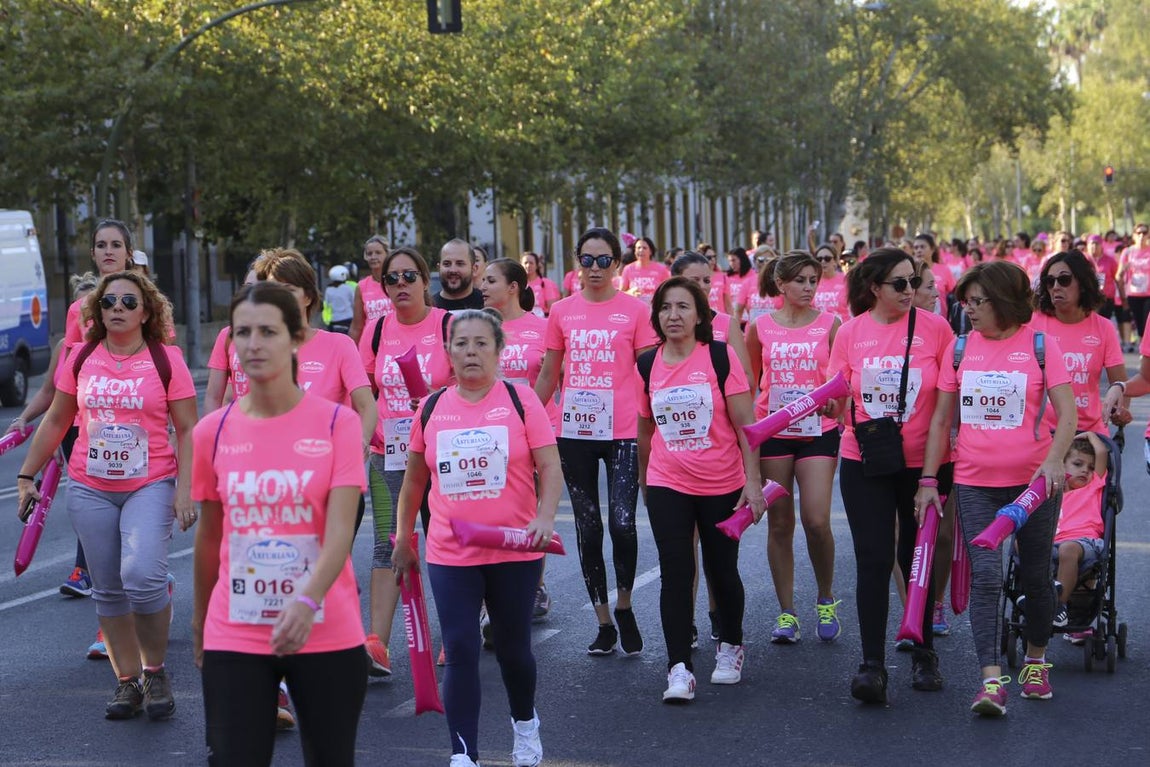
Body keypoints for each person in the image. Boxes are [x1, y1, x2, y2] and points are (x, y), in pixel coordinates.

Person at [192, 282, 367, 766]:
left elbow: (338, 534)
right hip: (237, 628)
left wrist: (307, 601)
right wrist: (200, 622)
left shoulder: (338, 424)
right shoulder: (213, 431)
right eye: (241, 333)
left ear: (295, 338)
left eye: (267, 331)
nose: (252, 344)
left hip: (324, 624)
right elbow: (210, 539)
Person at [17, 270, 197, 720]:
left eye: (128, 302)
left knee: (143, 575)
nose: (117, 308)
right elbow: (58, 420)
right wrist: (26, 475)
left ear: (146, 311)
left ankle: (155, 670)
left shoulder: (166, 359)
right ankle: (127, 682)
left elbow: (189, 429)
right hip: (90, 486)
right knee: (109, 589)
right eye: (109, 301)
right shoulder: (79, 356)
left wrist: (186, 492)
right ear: (96, 311)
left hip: (150, 483)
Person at [393, 309, 561, 767]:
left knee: (512, 647)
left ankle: (525, 725)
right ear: (448, 352)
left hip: (514, 548)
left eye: (480, 343)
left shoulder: (521, 400)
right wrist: (403, 539)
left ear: (498, 351)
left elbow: (549, 467)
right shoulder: (431, 408)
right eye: (461, 344)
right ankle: (463, 752)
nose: (470, 351)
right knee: (462, 646)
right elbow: (412, 483)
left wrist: (544, 518)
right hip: (451, 551)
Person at [915, 260, 1077, 717]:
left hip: (1033, 486)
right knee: (986, 579)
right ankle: (991, 682)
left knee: (1034, 579)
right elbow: (941, 420)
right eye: (964, 301)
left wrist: (1051, 461)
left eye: (977, 301)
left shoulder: (1042, 346)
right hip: (974, 482)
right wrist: (929, 480)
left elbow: (1068, 415)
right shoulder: (962, 348)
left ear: (1004, 300)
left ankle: (1035, 661)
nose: (968, 309)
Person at [827, 248, 954, 703]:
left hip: (925, 461)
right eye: (899, 283)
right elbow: (838, 396)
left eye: (913, 281)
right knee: (875, 559)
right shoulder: (850, 333)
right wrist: (831, 406)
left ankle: (923, 654)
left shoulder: (936, 329)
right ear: (873, 288)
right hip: (866, 458)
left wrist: (930, 480)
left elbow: (943, 413)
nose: (909, 291)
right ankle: (872, 665)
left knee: (916, 557)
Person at [637, 277, 764, 701]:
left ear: (700, 316)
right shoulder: (646, 364)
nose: (673, 315)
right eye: (666, 308)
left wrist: (753, 481)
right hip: (667, 481)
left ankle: (730, 646)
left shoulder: (719, 357)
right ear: (656, 316)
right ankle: (679, 668)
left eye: (683, 307)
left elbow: (748, 427)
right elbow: (644, 430)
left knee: (720, 569)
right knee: (675, 572)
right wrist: (644, 483)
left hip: (722, 482)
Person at [534, 227, 659, 655]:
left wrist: (659, 419)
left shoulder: (636, 311)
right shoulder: (561, 311)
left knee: (623, 523)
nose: (594, 269)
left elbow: (649, 371)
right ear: (577, 263)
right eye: (587, 260)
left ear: (617, 265)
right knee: (589, 528)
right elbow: (550, 373)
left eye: (604, 260)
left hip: (623, 431)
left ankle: (624, 604)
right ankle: (603, 620)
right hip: (575, 432)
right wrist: (527, 423)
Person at [359, 246, 453, 674]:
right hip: (389, 453)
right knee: (386, 542)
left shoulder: (447, 325)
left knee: (445, 542)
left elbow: (474, 384)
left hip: (441, 452)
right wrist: (371, 428)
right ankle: (377, 644)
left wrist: (434, 406)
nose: (400, 285)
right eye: (392, 279)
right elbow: (361, 389)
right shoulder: (377, 331)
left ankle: (455, 634)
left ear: (425, 280)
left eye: (408, 277)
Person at [746, 251, 842, 645]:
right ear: (781, 285)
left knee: (816, 519)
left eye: (813, 280)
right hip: (774, 432)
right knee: (780, 522)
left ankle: (825, 598)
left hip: (819, 428)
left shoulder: (831, 324)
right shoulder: (760, 327)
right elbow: (750, 384)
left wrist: (839, 404)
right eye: (800, 280)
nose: (808, 287)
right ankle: (787, 613)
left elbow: (841, 382)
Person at [9, 272, 98, 597]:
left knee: (94, 502)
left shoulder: (110, 346)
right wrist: (23, 417)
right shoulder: (65, 347)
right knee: (84, 503)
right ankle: (88, 570)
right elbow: (49, 392)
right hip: (67, 432)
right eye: (78, 311)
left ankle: (88, 571)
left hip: (96, 433)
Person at [481, 258, 557, 619]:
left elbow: (559, 376)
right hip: (491, 433)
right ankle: (493, 591)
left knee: (530, 510)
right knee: (497, 507)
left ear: (513, 287)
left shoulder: (541, 327)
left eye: (490, 280)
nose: (482, 286)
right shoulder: (477, 327)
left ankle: (533, 584)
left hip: (536, 430)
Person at [1029, 250, 1128, 434]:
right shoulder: (1032, 324)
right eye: (1050, 282)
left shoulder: (1103, 328)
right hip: (1042, 433)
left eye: (1064, 280)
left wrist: (1119, 413)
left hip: (1088, 432)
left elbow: (1120, 383)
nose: (1056, 287)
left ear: (1082, 284)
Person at [1051, 433, 1107, 629]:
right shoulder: (1051, 490)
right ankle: (1037, 596)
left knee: (1068, 549)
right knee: (1020, 543)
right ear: (1062, 465)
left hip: (1084, 543)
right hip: (1053, 542)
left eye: (1090, 468)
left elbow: (1101, 452)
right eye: (1077, 464)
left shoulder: (1092, 487)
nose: (1085, 470)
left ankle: (1058, 606)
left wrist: (1091, 434)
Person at [349, 235, 393, 344]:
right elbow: (356, 326)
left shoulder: (396, 281)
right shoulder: (361, 286)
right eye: (369, 254)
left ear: (387, 254)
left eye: (378, 253)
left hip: (395, 340)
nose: (373, 257)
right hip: (370, 343)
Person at [1117, 224, 1150, 345]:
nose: (1141, 235)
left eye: (1144, 232)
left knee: (1147, 321)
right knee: (1138, 322)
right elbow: (1118, 275)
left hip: (1148, 294)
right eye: (1139, 233)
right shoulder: (1128, 252)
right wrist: (1122, 296)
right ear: (1134, 235)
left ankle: (1145, 348)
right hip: (1133, 293)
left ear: (1148, 235)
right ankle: (1142, 346)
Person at [435, 238, 485, 311]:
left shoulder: (488, 305)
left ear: (474, 269)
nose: (453, 270)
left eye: (460, 264)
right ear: (439, 268)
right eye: (447, 264)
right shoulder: (426, 309)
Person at [620, 236, 670, 305]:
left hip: (655, 308)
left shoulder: (661, 269)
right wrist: (630, 292)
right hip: (635, 307)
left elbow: (669, 291)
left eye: (644, 248)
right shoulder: (628, 269)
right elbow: (621, 293)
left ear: (651, 251)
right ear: (634, 251)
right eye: (638, 248)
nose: (641, 250)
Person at [812, 243, 850, 321]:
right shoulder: (811, 282)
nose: (823, 262)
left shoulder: (847, 280)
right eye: (819, 259)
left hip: (842, 328)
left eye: (827, 258)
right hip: (819, 330)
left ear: (835, 261)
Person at [521, 251, 560, 317]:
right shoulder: (518, 284)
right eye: (525, 263)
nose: (528, 265)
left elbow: (552, 309)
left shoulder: (546, 283)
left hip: (542, 320)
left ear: (537, 266)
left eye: (531, 263)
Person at [697, 242, 732, 315]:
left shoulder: (723, 277)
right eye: (709, 258)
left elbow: (728, 304)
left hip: (720, 318)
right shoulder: (696, 278)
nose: (713, 260)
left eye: (714, 257)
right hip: (703, 318)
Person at [725, 248, 756, 324]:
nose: (731, 263)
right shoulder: (727, 277)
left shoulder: (753, 275)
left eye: (733, 260)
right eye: (729, 261)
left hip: (749, 320)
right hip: (733, 319)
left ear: (742, 259)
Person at [323, 265, 355, 334]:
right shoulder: (348, 288)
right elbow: (353, 303)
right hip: (348, 319)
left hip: (334, 320)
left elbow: (327, 304)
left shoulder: (328, 289)